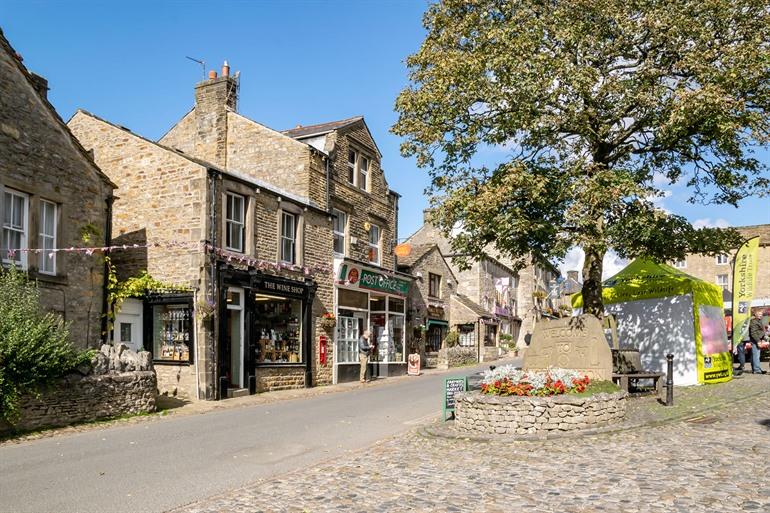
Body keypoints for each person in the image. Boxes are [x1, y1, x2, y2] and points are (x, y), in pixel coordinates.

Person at [749, 309, 768, 374]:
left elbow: (760, 331)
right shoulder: (754, 322)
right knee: (756, 355)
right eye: (759, 314)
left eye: (761, 314)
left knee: (754, 355)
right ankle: (757, 370)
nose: (760, 315)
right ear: (755, 314)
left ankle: (755, 368)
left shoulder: (758, 321)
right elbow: (753, 333)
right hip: (755, 340)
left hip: (758, 339)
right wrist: (758, 341)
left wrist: (762, 338)